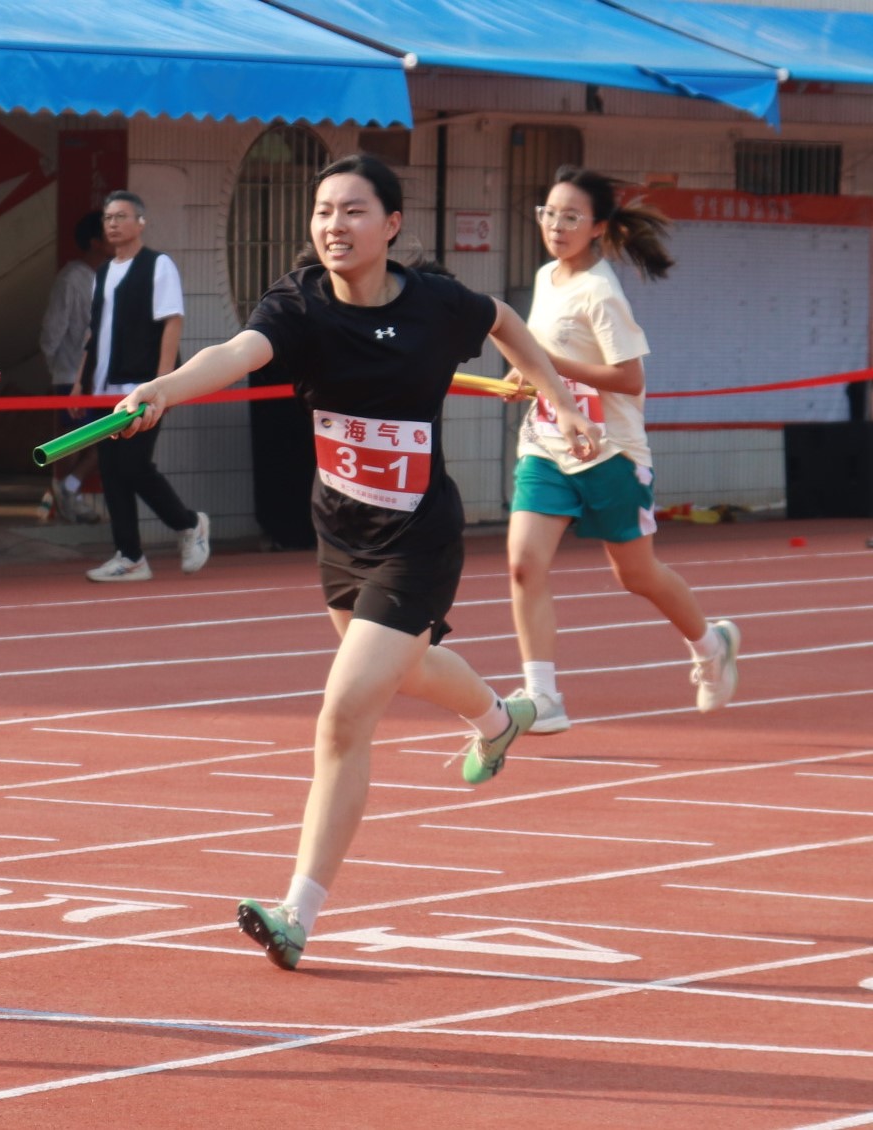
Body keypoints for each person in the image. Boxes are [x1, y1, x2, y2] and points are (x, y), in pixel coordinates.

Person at [114, 154, 602, 970]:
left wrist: (555, 394)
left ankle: (296, 913)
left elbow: (503, 322)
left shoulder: (435, 303)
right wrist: (164, 388)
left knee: (344, 714)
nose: (333, 226)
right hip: (340, 534)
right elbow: (235, 352)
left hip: (418, 540)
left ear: (392, 224)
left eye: (353, 211)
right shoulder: (299, 304)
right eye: (323, 212)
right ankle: (499, 718)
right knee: (405, 667)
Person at [505, 167, 740, 733]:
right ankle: (544, 696)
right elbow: (546, 363)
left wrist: (548, 364)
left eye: (571, 217)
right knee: (523, 565)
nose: (556, 226)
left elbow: (629, 378)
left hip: (610, 452)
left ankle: (711, 646)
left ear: (598, 227)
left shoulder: (600, 292)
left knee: (635, 574)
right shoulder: (546, 277)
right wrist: (530, 377)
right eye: (549, 213)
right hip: (547, 444)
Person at [73, 190, 208, 581]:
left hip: (142, 387)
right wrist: (80, 381)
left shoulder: (157, 265)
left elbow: (172, 321)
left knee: (134, 466)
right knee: (112, 471)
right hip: (103, 389)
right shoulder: (103, 273)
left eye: (121, 216)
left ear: (141, 222)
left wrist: (162, 384)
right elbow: (94, 332)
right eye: (108, 218)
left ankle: (188, 523)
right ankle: (130, 556)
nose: (113, 224)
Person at [37, 209, 108, 523]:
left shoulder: (104, 276)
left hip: (98, 377)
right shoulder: (72, 278)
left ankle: (68, 490)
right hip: (71, 376)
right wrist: (57, 371)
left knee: (99, 440)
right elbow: (52, 332)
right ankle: (66, 493)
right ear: (95, 242)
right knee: (76, 440)